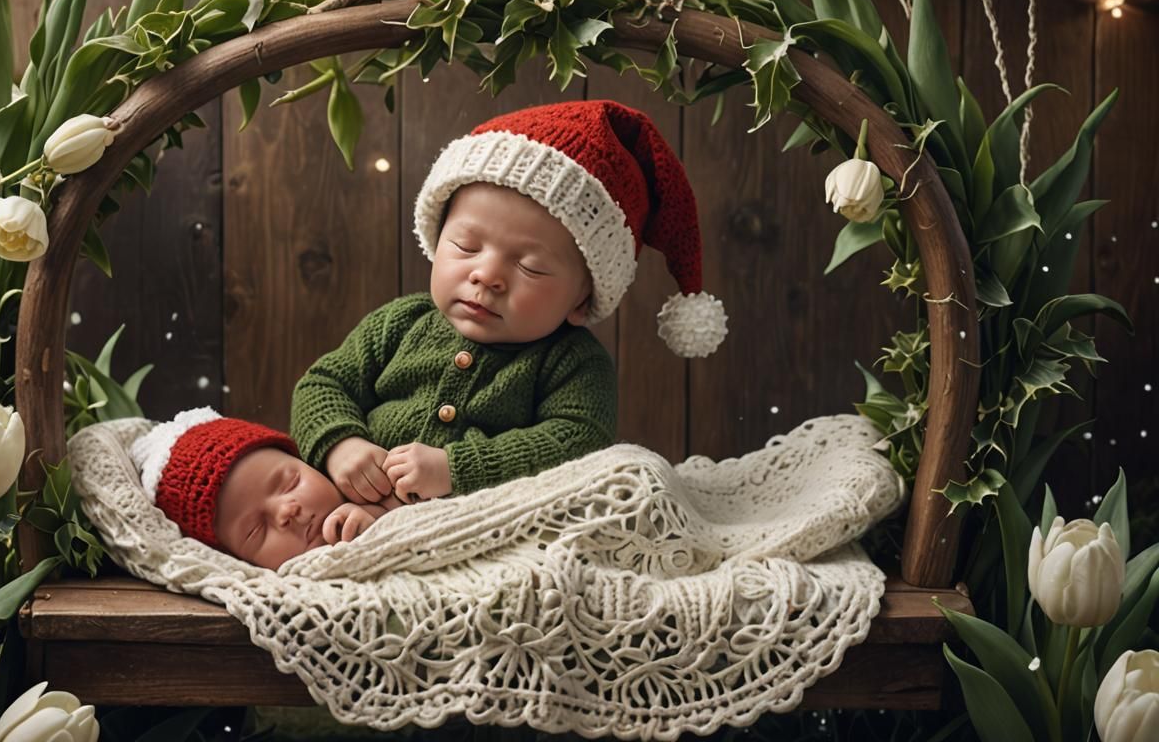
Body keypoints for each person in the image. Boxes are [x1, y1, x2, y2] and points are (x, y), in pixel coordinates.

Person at [291, 100, 729, 506]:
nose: (488, 276)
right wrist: (341, 444)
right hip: (358, 504)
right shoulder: (400, 323)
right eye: (465, 246)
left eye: (532, 268)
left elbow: (576, 442)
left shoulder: (571, 362)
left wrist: (457, 469)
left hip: (490, 525)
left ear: (582, 299)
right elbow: (323, 385)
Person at [129, 408, 404, 570]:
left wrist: (379, 520)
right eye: (255, 531)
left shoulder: (374, 482)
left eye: (290, 483)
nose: (286, 511)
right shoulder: (274, 592)